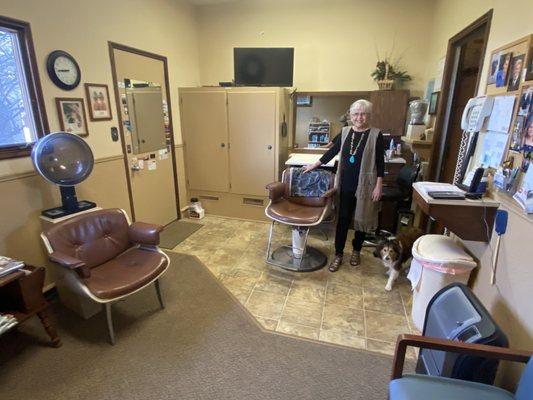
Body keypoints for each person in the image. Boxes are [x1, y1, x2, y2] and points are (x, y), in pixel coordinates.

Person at [303, 99, 384, 272]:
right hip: (345, 183)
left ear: (369, 116)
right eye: (356, 114)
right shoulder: (345, 131)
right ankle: (338, 254)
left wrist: (379, 185)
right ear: (351, 115)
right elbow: (332, 151)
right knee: (343, 219)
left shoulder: (376, 134)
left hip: (366, 185)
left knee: (361, 220)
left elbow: (380, 162)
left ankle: (356, 251)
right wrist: (314, 165)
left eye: (363, 114)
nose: (359, 117)